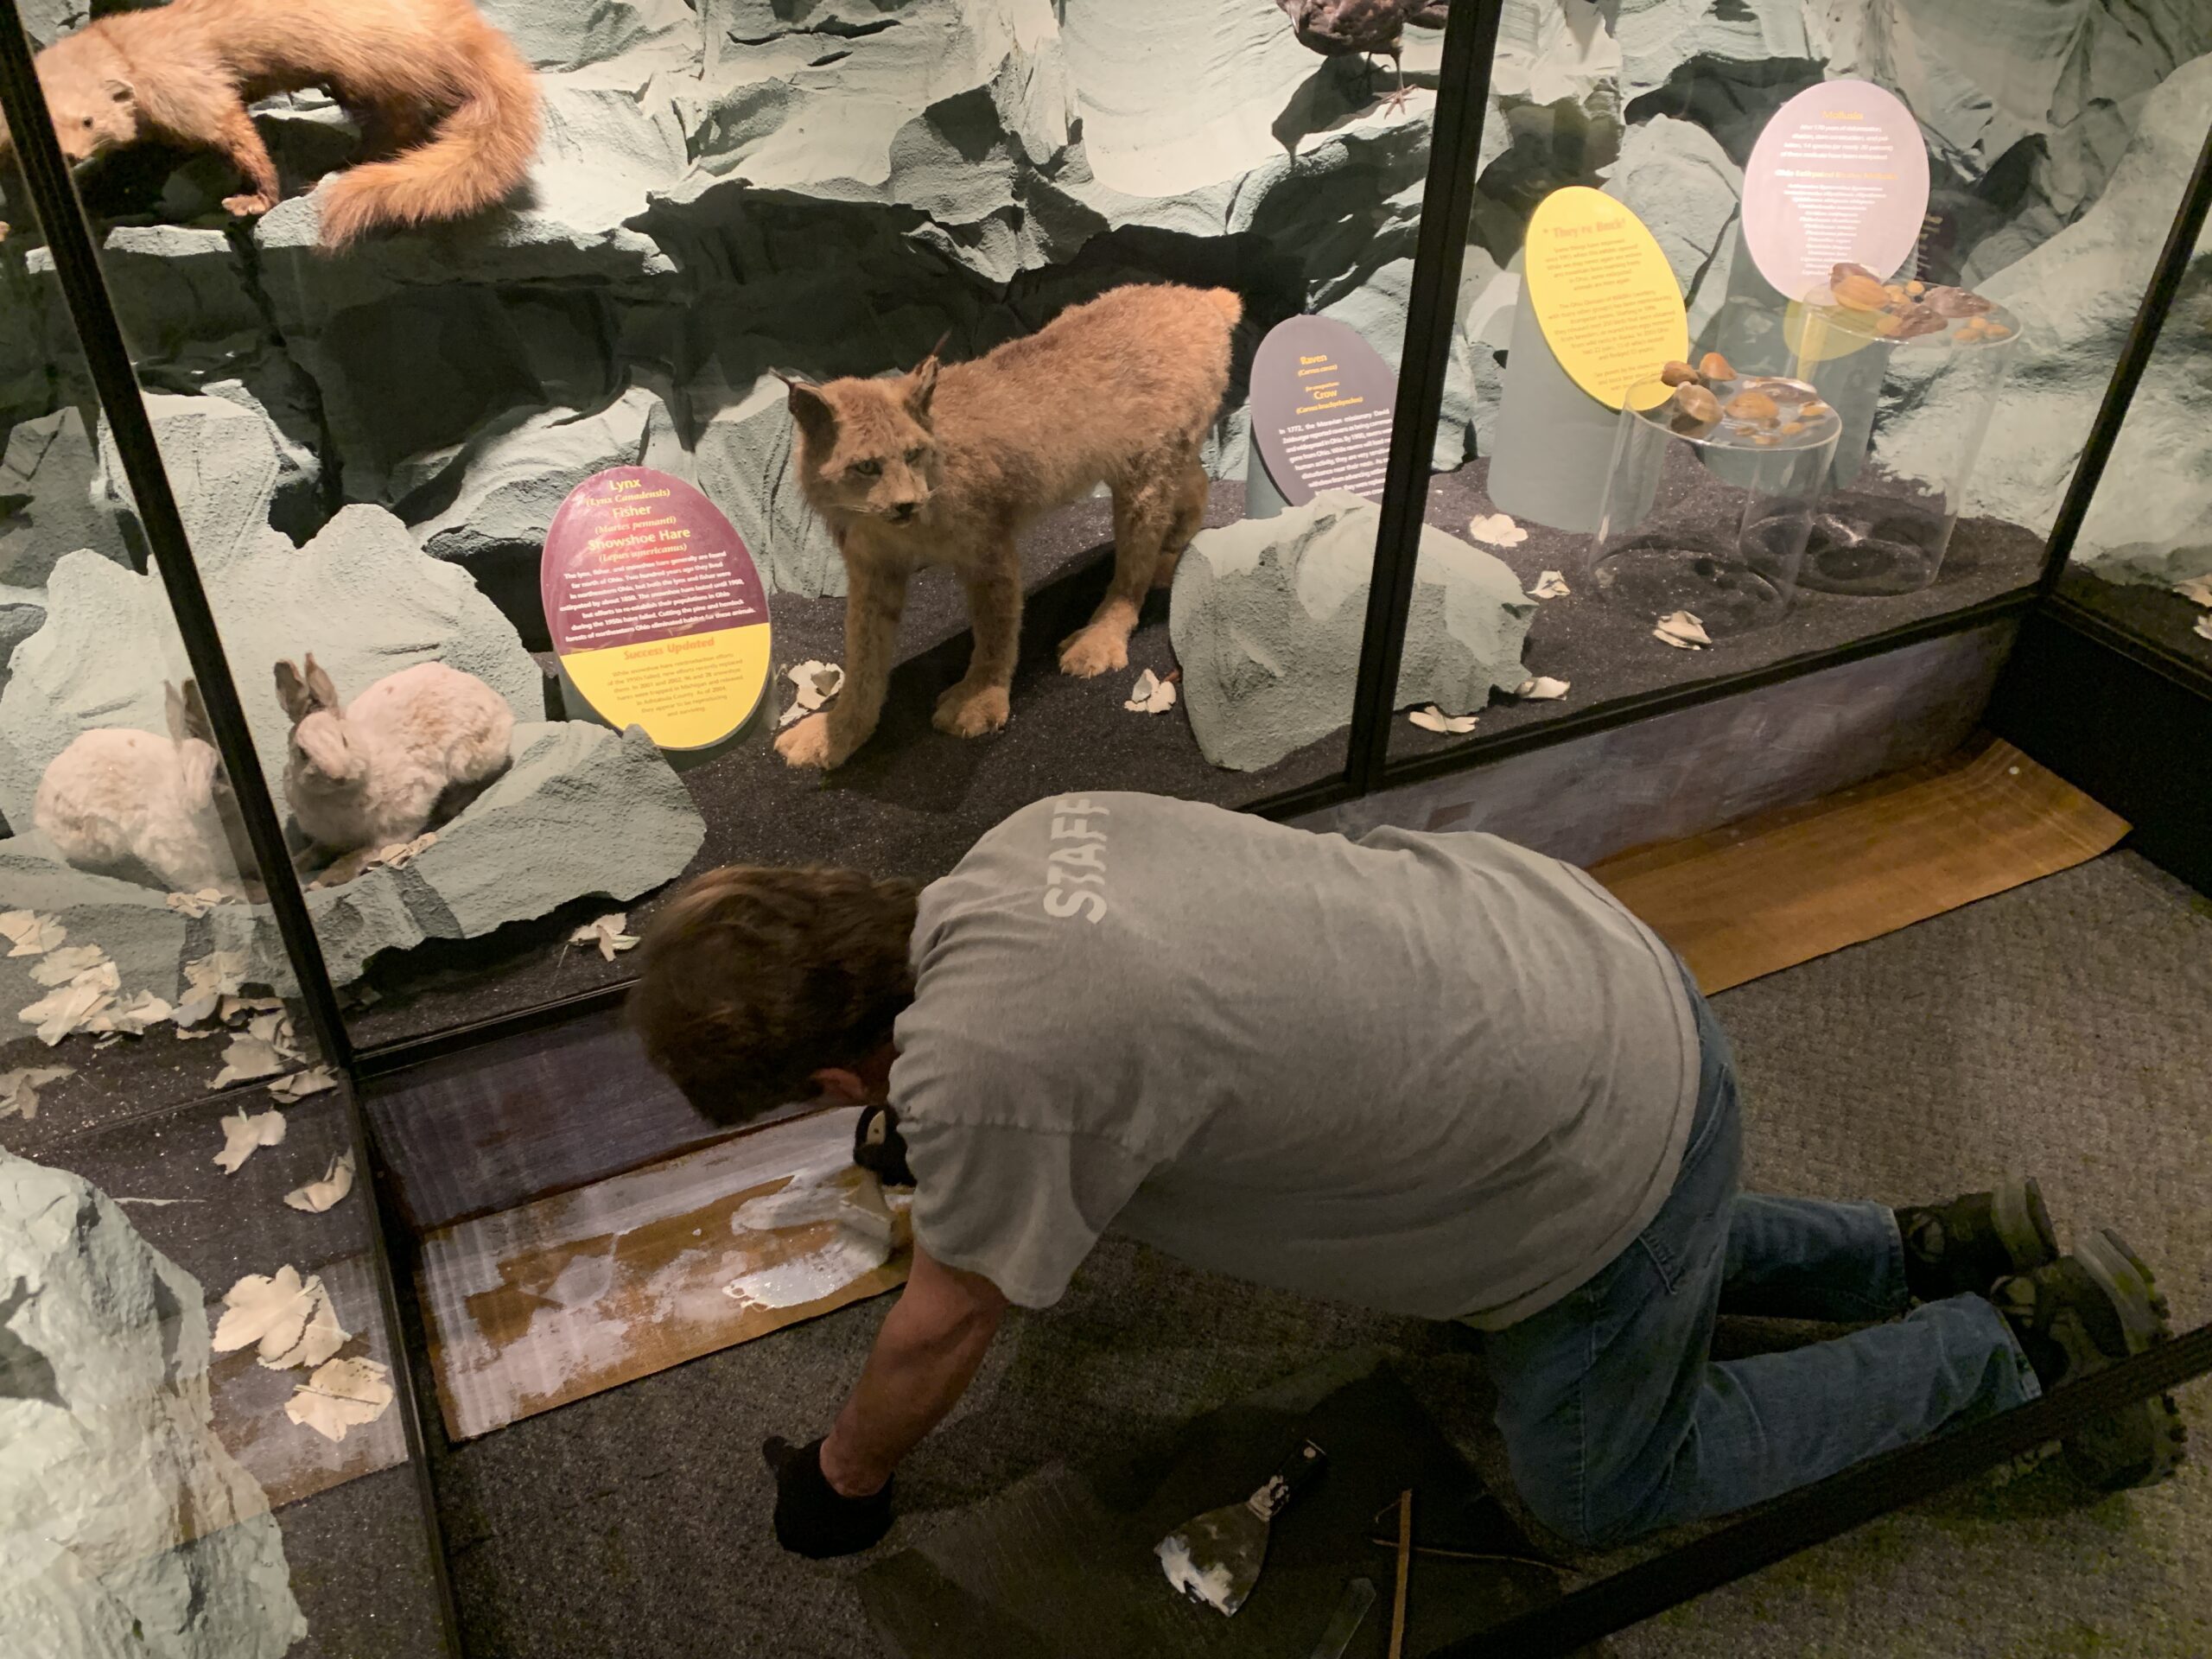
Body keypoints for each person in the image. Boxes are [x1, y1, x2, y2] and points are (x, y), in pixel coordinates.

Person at [629, 791, 2184, 1558]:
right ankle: (1923, 1247)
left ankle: (2020, 1350)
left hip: (1601, 1132)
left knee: (1602, 1483)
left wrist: (841, 1486)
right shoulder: (1035, 838)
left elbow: (941, 1329)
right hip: (1592, 973)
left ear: (841, 1078)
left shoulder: (988, 1079)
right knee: (1554, 1266)